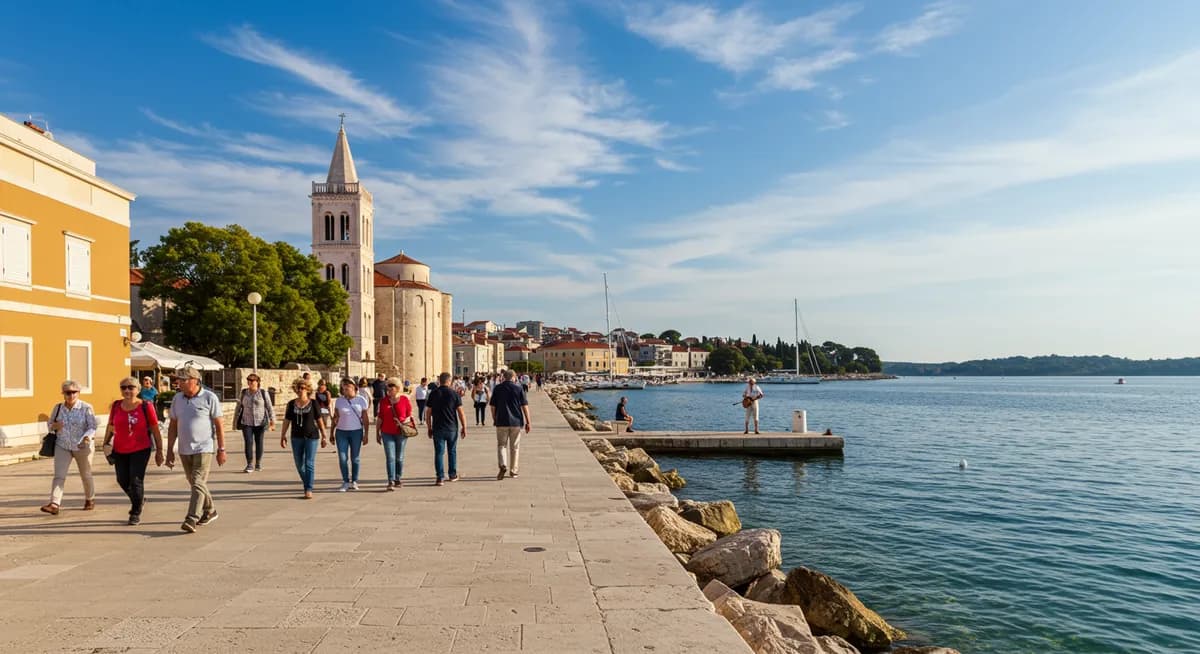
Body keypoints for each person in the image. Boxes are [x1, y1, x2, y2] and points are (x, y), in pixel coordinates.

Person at [165, 366, 226, 533]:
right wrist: (170, 449)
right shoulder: (177, 399)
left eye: (182, 380)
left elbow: (219, 425)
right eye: (178, 380)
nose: (179, 383)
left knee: (198, 481)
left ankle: (192, 518)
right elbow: (173, 425)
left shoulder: (209, 397)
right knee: (194, 483)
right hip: (185, 448)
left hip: (204, 447)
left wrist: (221, 449)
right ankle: (211, 510)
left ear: (194, 381)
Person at [103, 377, 165, 524]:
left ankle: (135, 512)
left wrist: (160, 450)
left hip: (140, 448)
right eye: (123, 387)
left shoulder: (145, 406)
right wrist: (105, 443)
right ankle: (139, 499)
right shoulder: (117, 405)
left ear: (138, 390)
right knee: (122, 479)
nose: (127, 390)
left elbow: (155, 429)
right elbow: (111, 426)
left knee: (136, 481)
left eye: (131, 387)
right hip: (119, 449)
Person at [40, 380, 98, 515]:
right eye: (67, 392)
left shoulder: (86, 407)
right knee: (59, 475)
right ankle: (54, 504)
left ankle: (90, 498)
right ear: (63, 393)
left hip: (82, 446)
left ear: (78, 393)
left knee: (86, 474)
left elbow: (92, 426)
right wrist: (54, 426)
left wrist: (87, 436)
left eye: (74, 392)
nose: (71, 395)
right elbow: (50, 423)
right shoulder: (58, 408)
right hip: (63, 445)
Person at [280, 376, 327, 499]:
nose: (300, 390)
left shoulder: (314, 403)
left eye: (302, 388)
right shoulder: (291, 404)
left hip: (312, 436)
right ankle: (307, 483)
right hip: (296, 437)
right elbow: (286, 420)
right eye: (298, 388)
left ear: (307, 390)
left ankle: (308, 488)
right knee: (299, 463)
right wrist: (283, 435)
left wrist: (324, 435)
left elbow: (319, 419)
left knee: (309, 462)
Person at [425, 372, 467, 486]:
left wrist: (429, 427)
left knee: (439, 452)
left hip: (438, 427)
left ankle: (440, 477)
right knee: (452, 451)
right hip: (451, 427)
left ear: (440, 381)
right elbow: (460, 412)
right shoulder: (454, 394)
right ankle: (452, 475)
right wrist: (464, 426)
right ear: (449, 381)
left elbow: (428, 413)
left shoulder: (433, 394)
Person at [489, 369, 530, 480]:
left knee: (502, 445)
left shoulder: (497, 388)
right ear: (513, 377)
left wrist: (494, 418)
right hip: (516, 422)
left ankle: (503, 465)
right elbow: (524, 406)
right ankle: (513, 471)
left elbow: (492, 406)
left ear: (504, 377)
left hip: (501, 421)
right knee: (515, 447)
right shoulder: (518, 388)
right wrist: (528, 422)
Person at [376, 377, 415, 490]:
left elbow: (409, 415)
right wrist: (377, 433)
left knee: (399, 457)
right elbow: (380, 417)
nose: (388, 390)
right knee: (390, 457)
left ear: (397, 388)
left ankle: (398, 478)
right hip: (386, 432)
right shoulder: (383, 401)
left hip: (401, 432)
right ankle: (390, 480)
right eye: (387, 388)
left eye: (391, 387)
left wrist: (404, 421)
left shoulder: (404, 400)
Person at [333, 378, 370, 491]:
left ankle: (354, 480)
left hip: (356, 431)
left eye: (348, 387)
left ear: (354, 388)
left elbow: (365, 418)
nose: (345, 390)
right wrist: (331, 433)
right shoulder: (339, 401)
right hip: (341, 432)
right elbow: (336, 417)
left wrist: (366, 434)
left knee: (355, 458)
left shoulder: (361, 400)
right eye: (343, 388)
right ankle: (345, 481)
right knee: (343, 458)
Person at [235, 373, 274, 473]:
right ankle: (249, 464)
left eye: (252, 380)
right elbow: (238, 407)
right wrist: (234, 421)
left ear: (257, 382)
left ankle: (258, 463)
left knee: (259, 442)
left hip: (260, 422)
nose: (250, 382)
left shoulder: (263, 393)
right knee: (248, 442)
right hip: (246, 422)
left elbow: (269, 407)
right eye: (249, 380)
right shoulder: (244, 392)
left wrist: (272, 421)